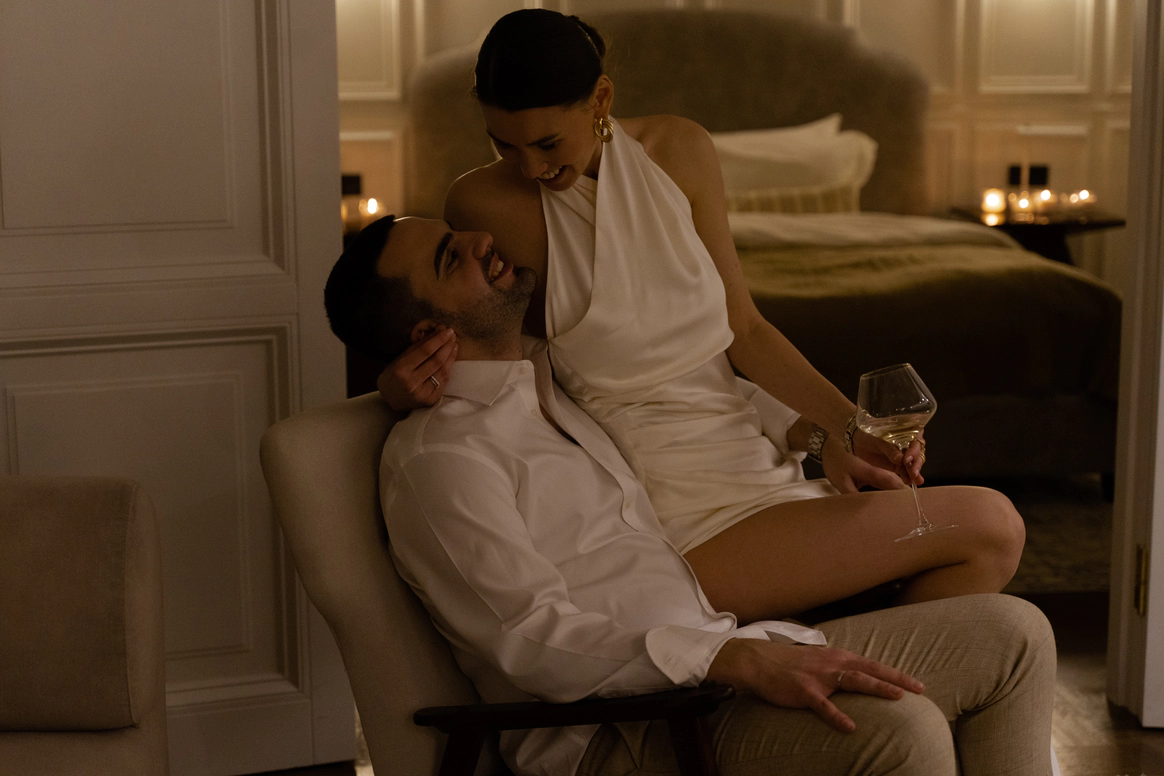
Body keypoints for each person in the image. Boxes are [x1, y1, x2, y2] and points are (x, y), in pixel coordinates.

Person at [323, 214, 1055, 776]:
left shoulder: (545, 379)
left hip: (724, 659)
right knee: (902, 730)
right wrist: (725, 661)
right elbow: (526, 637)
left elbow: (696, 397)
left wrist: (820, 436)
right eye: (451, 256)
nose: (483, 239)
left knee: (1017, 635)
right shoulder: (442, 459)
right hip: (630, 730)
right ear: (429, 331)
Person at [375, 9, 1025, 624]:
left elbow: (745, 329)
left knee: (981, 554)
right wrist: (394, 393)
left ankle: (827, 676)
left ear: (600, 100)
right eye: (504, 145)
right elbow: (485, 345)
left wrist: (844, 432)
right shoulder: (484, 202)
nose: (531, 168)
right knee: (990, 526)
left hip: (760, 465)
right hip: (674, 510)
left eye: (547, 143)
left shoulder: (680, 149)